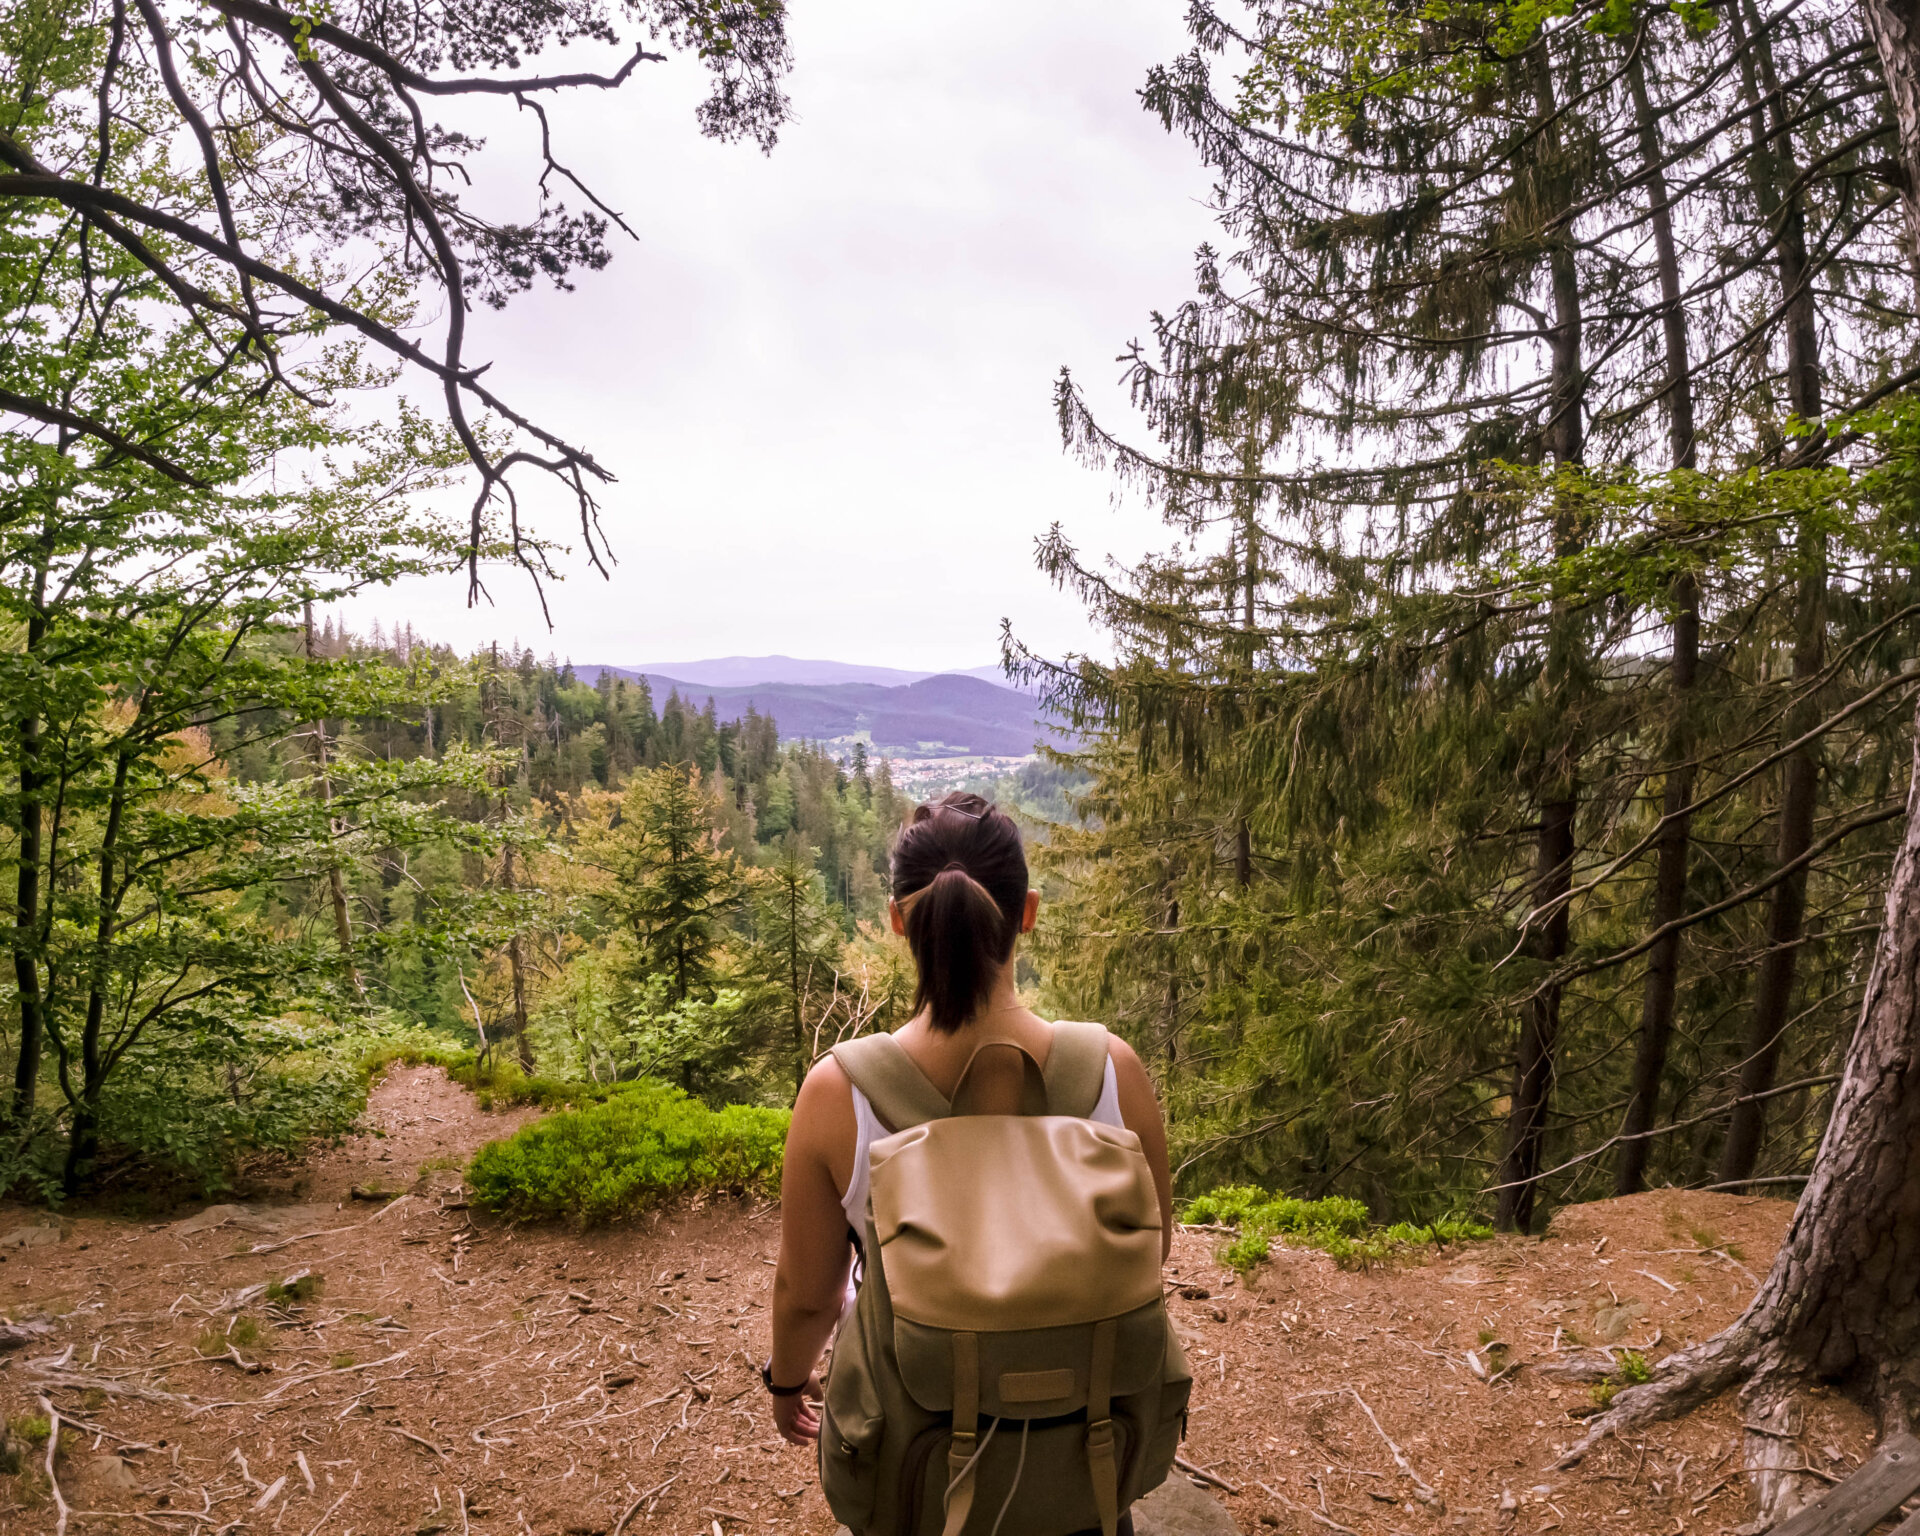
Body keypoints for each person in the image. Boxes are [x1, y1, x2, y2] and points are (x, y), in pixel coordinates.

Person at [765, 791, 1174, 1536]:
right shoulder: (1114, 1070)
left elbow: (806, 1296)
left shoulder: (840, 1094)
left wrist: (787, 1382)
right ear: (1028, 913)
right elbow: (1156, 1249)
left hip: (918, 1465)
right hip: (1088, 1453)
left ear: (898, 920)